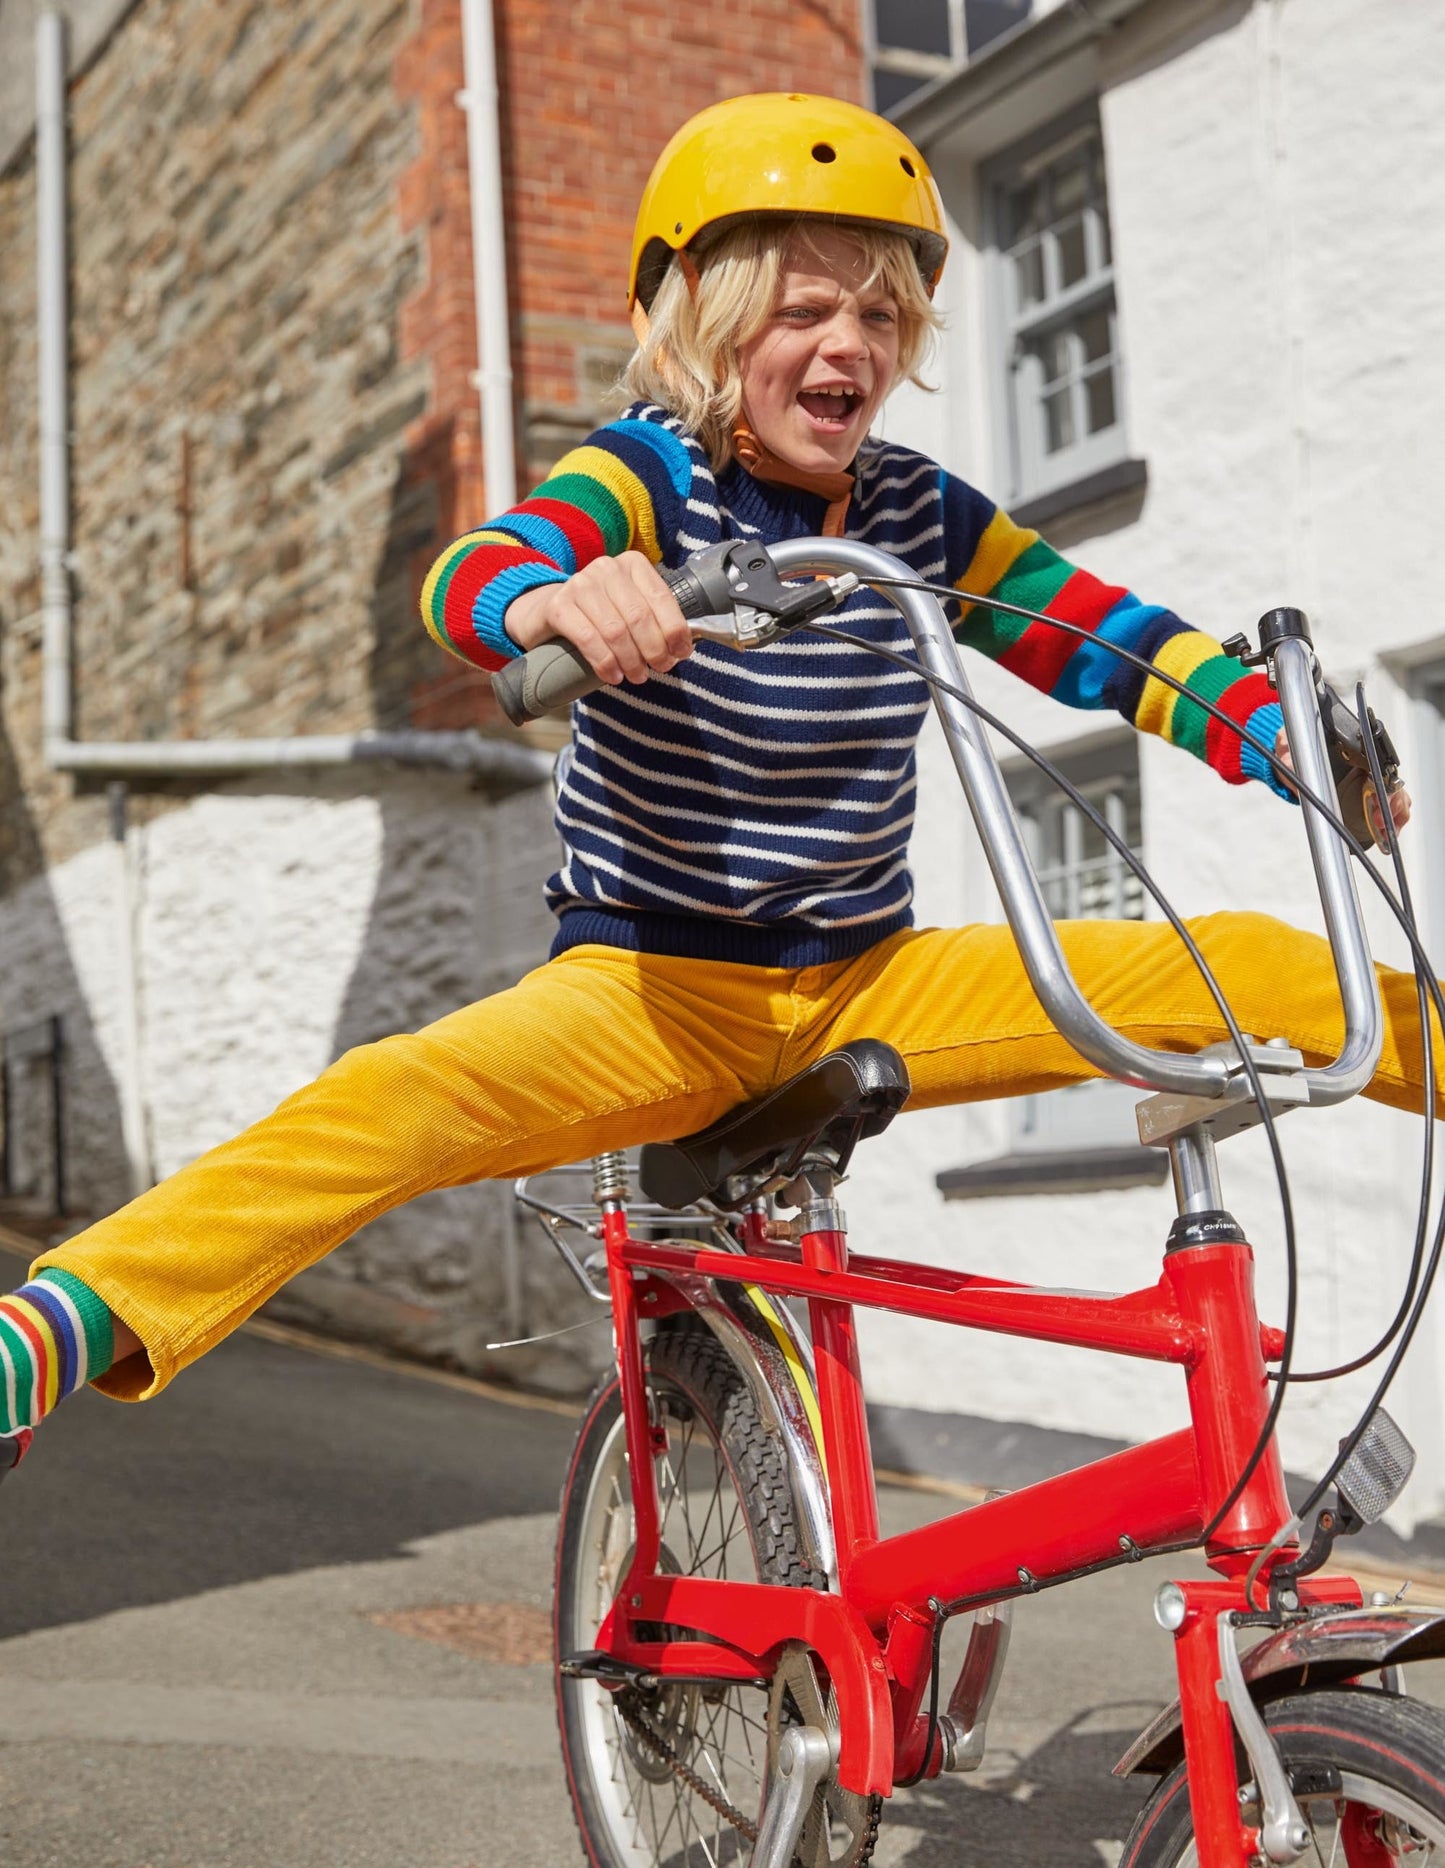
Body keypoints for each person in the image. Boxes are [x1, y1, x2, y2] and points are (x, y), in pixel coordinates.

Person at [0, 93, 1428, 1450]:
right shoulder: (650, 472)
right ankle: (52, 1332)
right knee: (392, 1099)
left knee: (1261, 964)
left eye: (877, 314)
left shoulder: (919, 515)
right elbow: (478, 572)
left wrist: (1282, 740)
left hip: (870, 973)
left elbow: (1107, 644)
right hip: (650, 991)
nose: (845, 345)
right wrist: (554, 605)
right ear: (709, 330)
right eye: (800, 311)